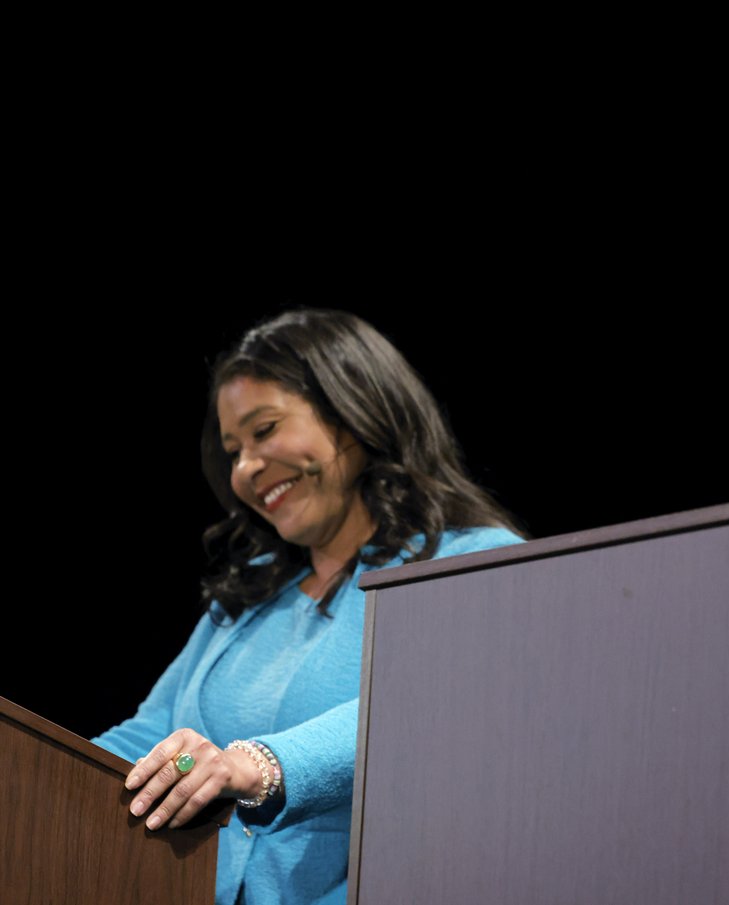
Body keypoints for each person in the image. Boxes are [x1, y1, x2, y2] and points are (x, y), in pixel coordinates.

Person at [93, 309, 523, 905]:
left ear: (355, 408)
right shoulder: (248, 598)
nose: (244, 468)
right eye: (233, 449)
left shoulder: (478, 564)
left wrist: (257, 764)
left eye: (264, 430)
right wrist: (26, 773)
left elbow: (422, 716)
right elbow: (148, 736)